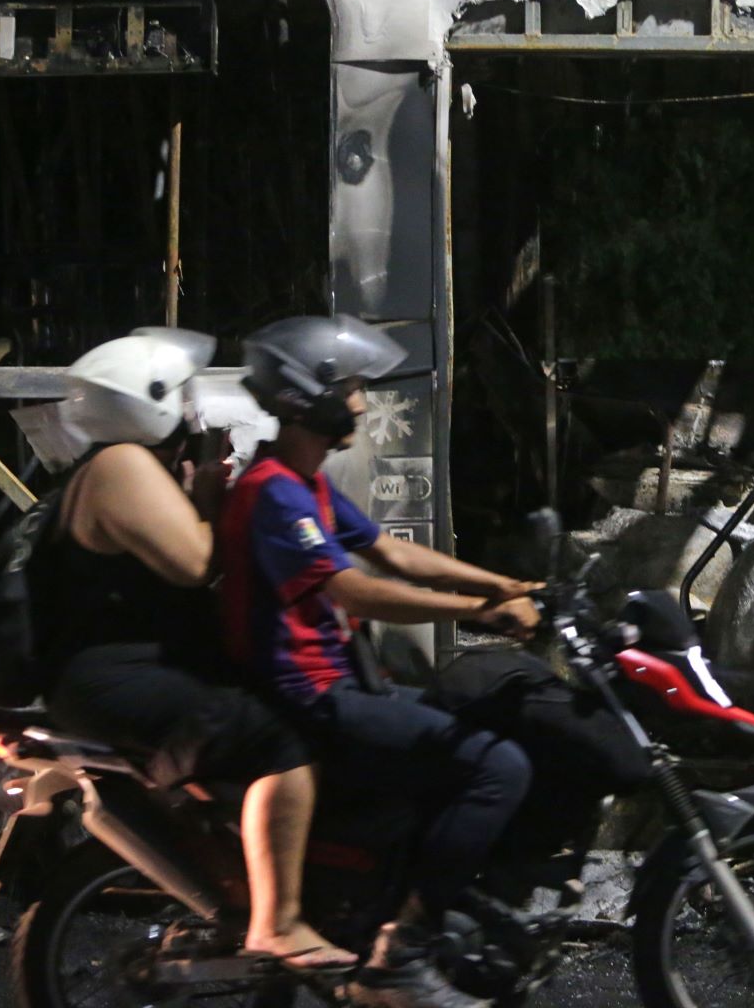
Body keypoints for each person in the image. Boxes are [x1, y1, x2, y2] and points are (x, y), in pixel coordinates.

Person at [221, 314, 542, 1008]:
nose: (364, 403)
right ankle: (403, 951)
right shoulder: (272, 492)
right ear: (312, 397)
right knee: (498, 766)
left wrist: (500, 582)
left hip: (337, 681)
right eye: (354, 388)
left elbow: (391, 552)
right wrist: (481, 612)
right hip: (306, 695)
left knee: (475, 720)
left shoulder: (304, 484)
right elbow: (354, 587)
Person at [39, 328, 355, 971]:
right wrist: (210, 502)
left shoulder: (121, 466)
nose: (190, 408)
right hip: (113, 677)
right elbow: (196, 564)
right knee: (277, 733)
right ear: (145, 400)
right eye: (180, 395)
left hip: (119, 668)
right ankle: (280, 922)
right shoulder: (119, 465)